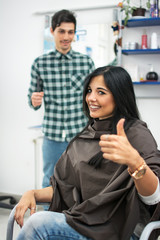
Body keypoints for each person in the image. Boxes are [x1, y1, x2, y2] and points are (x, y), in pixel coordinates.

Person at [16, 66, 160, 240]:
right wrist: (32, 193)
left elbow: (154, 198)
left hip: (122, 230)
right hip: (89, 223)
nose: (91, 98)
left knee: (38, 224)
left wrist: (136, 163)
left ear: (119, 95)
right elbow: (64, 189)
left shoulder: (136, 134)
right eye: (90, 91)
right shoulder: (85, 136)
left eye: (101, 92)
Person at [27, 9, 95, 189]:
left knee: (83, 178)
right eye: (61, 31)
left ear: (74, 33)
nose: (66, 36)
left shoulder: (86, 63)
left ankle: (79, 216)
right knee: (50, 179)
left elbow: (94, 96)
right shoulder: (40, 64)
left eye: (70, 32)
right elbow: (32, 97)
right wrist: (34, 100)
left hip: (80, 133)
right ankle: (46, 216)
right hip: (52, 134)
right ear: (52, 31)